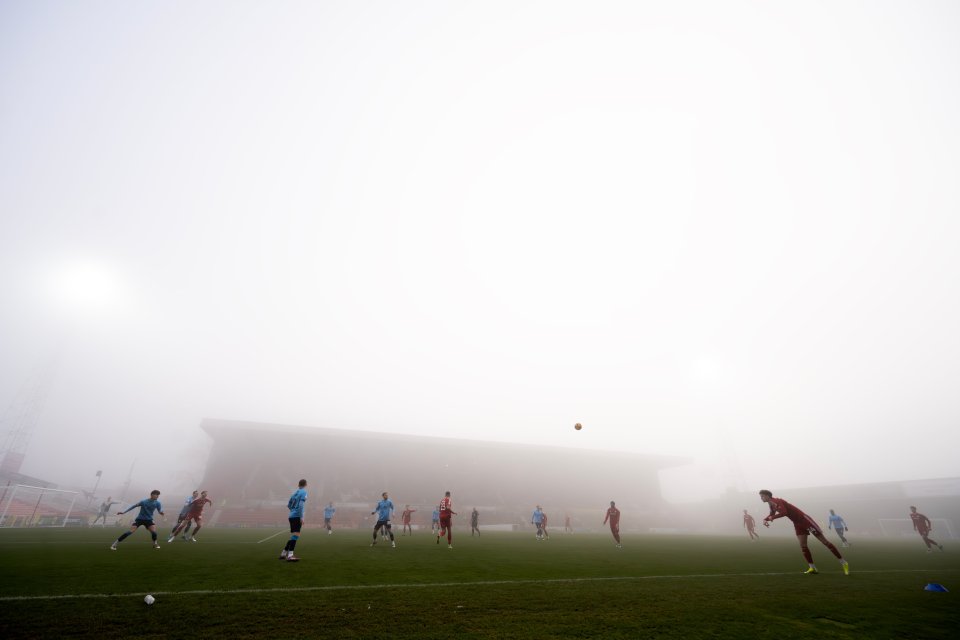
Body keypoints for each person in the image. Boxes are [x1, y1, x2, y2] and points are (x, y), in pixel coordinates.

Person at [760, 490, 849, 574]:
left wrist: (772, 518)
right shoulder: (771, 504)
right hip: (797, 523)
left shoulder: (777, 501)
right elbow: (772, 514)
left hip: (805, 520)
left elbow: (784, 512)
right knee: (803, 546)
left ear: (768, 496)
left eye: (762, 496)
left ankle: (844, 563)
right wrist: (765, 519)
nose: (761, 498)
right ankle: (812, 567)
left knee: (825, 542)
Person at [279, 479, 307, 562]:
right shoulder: (304, 492)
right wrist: (301, 517)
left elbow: (288, 505)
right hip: (297, 516)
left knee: (294, 535)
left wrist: (292, 511)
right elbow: (301, 505)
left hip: (291, 516)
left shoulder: (294, 493)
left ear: (298, 484)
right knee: (296, 535)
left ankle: (283, 553)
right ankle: (290, 555)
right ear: (306, 484)